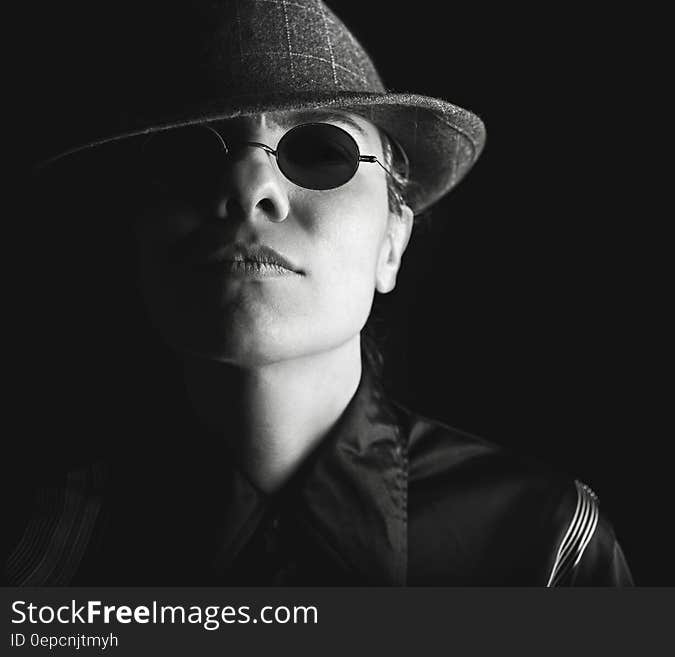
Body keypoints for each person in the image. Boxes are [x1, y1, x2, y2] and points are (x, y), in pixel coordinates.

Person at [5, 0, 633, 586]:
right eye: (187, 153)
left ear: (392, 242)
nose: (251, 187)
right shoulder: (29, 539)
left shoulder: (544, 547)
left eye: (321, 150)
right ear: (133, 235)